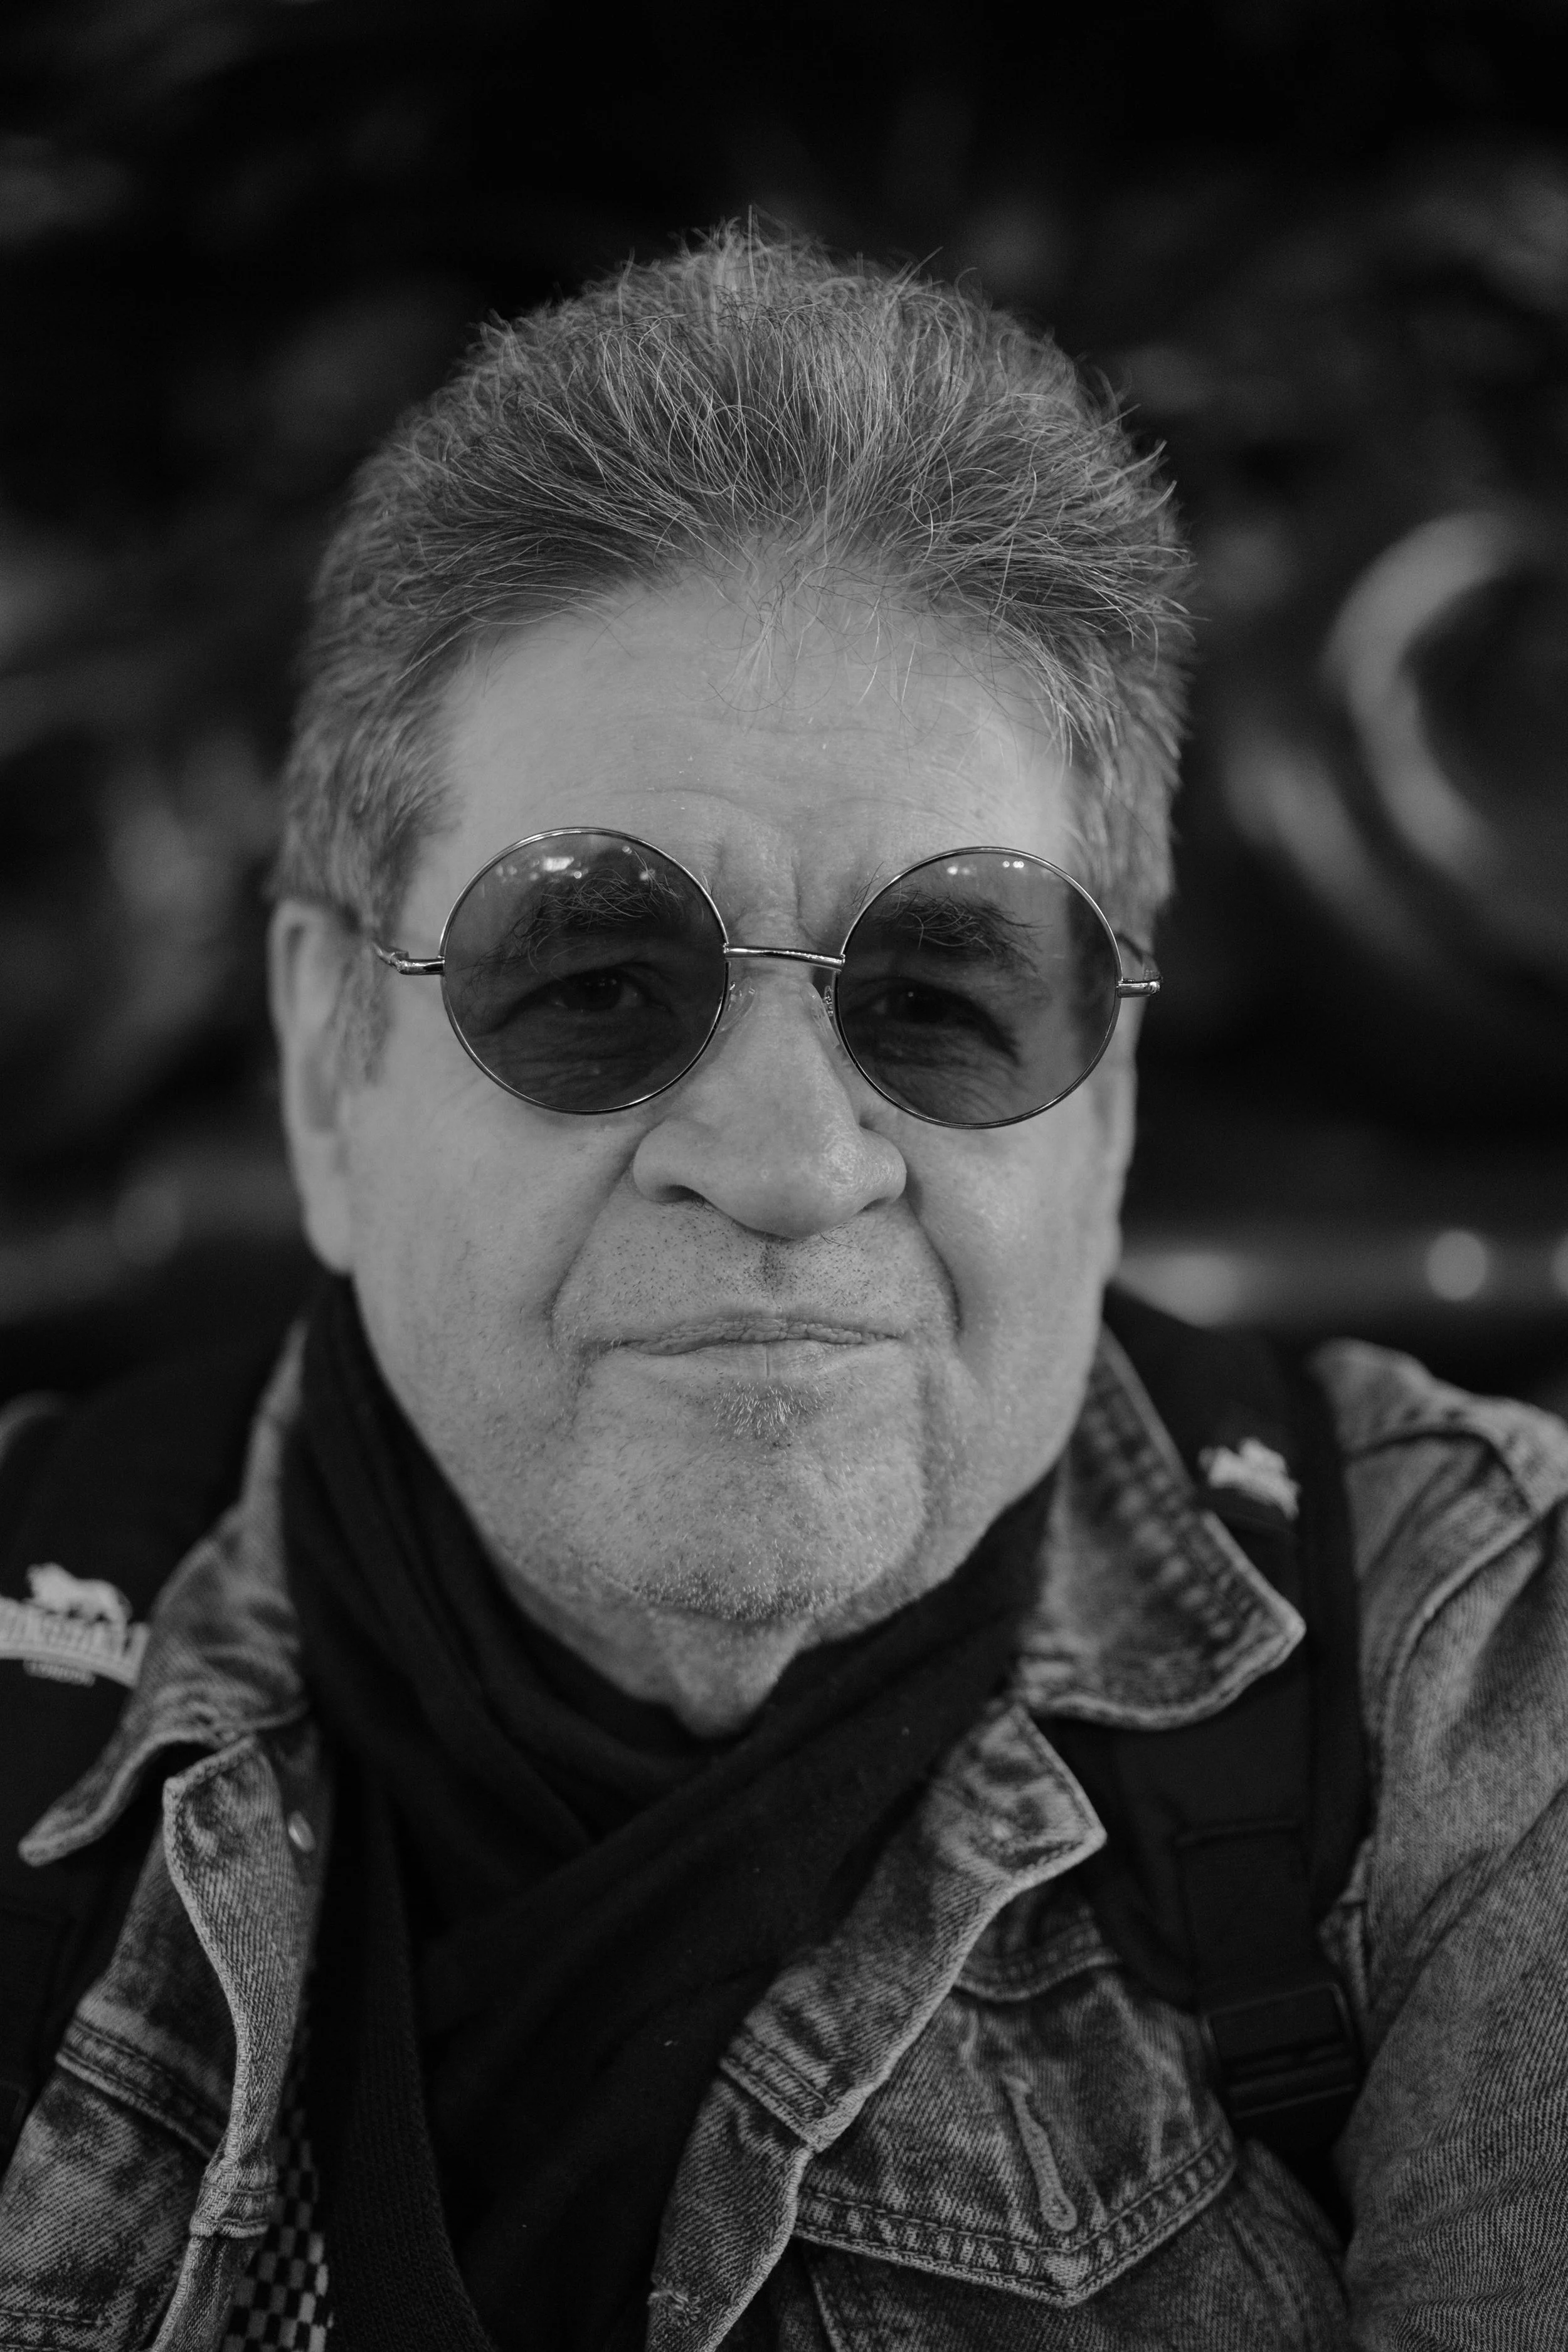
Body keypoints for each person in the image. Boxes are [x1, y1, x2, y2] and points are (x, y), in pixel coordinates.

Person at [2, 226, 1566, 2352]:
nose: (790, 1160)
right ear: (323, 1062)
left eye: (943, 993)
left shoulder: (1475, 1679)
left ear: (1105, 1111)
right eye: (590, 978)